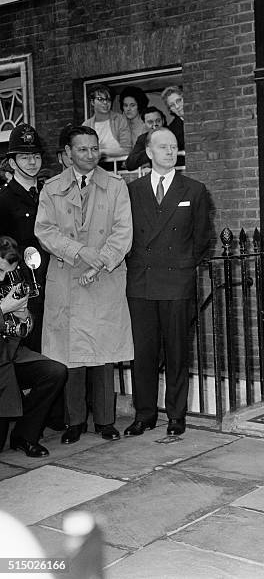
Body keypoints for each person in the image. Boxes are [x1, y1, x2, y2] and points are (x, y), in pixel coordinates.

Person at [35, 126, 133, 444]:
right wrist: (80, 252)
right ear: (68, 152)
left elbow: (123, 232)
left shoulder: (116, 186)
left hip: (104, 277)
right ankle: (74, 422)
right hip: (68, 278)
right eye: (82, 149)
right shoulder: (51, 189)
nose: (90, 155)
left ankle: (105, 421)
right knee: (71, 354)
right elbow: (45, 231)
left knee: (103, 353)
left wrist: (100, 262)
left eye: (94, 149)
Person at [124, 127, 211, 438]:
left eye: (174, 147)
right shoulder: (132, 191)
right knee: (143, 354)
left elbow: (202, 238)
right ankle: (144, 414)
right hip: (142, 283)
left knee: (176, 353)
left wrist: (184, 265)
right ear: (149, 152)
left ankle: (176, 416)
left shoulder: (194, 189)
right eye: (163, 147)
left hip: (176, 281)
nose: (170, 152)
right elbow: (126, 235)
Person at [0, 236, 67, 457]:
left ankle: (25, 435)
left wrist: (22, 314)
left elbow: (24, 331)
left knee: (54, 371)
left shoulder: (10, 280)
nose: (3, 277)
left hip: (11, 355)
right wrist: (3, 309)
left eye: (7, 272)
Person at [0, 124, 50, 353]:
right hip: (23, 294)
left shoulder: (49, 194)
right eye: (25, 156)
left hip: (53, 286)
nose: (32, 162)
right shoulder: (4, 199)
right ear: (12, 162)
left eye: (36, 156)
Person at [82, 84, 131, 158]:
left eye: (108, 99)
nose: (105, 102)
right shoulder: (86, 125)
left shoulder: (120, 120)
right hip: (95, 167)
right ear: (92, 102)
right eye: (100, 99)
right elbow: (84, 151)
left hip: (119, 166)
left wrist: (102, 152)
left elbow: (127, 149)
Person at [124, 106, 166, 171]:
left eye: (158, 121)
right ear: (144, 124)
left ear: (163, 121)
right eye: (150, 122)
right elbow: (130, 163)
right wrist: (152, 150)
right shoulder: (142, 139)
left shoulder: (172, 134)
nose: (155, 124)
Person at [161, 85, 185, 150]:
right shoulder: (172, 130)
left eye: (178, 101)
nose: (177, 106)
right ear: (170, 109)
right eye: (172, 105)